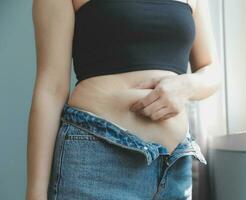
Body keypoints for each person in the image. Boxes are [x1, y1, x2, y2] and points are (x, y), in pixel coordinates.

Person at [26, 0, 221, 199]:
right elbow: (51, 88)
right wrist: (35, 193)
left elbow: (212, 69)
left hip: (174, 170)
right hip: (97, 163)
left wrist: (187, 86)